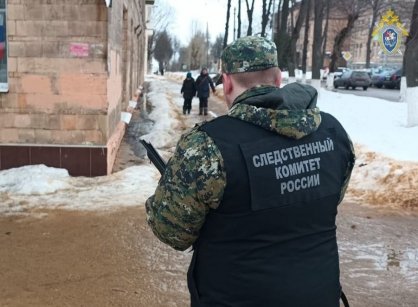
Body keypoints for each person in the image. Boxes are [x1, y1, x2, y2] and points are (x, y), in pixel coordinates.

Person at [145, 36, 355, 306]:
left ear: (228, 82)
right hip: (320, 296)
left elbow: (171, 230)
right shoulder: (333, 133)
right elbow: (323, 201)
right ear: (278, 78)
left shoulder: (208, 145)